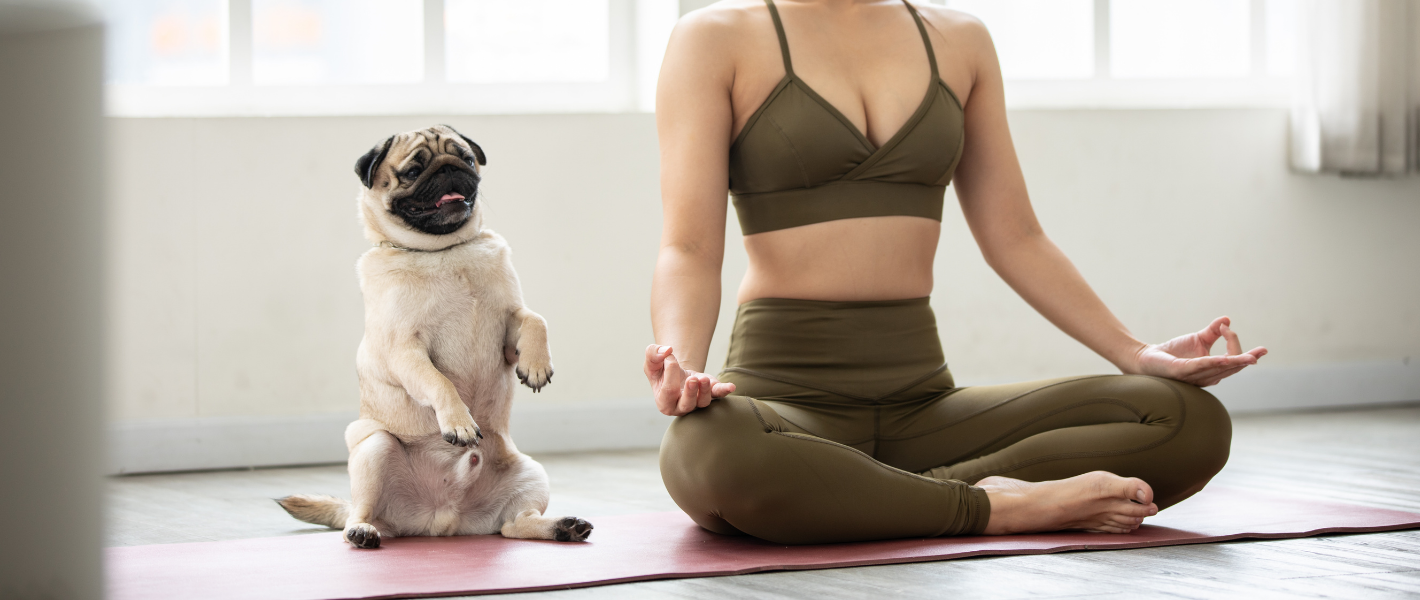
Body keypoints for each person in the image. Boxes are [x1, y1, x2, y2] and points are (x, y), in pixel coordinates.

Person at [645, 0, 1267, 545]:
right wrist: (683, 366)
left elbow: (1017, 238)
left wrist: (1137, 354)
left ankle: (883, 496)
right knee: (710, 452)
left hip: (926, 405)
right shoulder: (714, 36)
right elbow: (690, 247)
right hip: (783, 399)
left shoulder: (959, 37)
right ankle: (1001, 506)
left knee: (1188, 420)